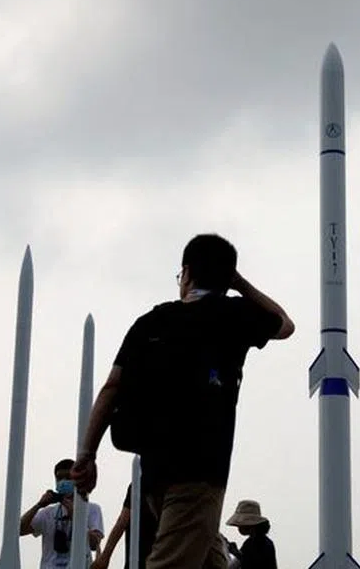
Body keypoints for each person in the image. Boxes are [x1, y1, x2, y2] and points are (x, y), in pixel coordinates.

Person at [71, 233, 295, 569]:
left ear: (186, 272)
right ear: (226, 277)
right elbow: (285, 324)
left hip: (154, 474)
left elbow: (111, 389)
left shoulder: (150, 322)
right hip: (201, 471)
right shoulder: (234, 314)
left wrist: (87, 454)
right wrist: (239, 283)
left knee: (206, 559)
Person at [21, 459, 105, 569]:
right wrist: (38, 505)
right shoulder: (48, 513)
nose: (63, 481)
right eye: (59, 478)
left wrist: (75, 516)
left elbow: (94, 544)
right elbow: (19, 530)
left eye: (68, 477)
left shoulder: (91, 509)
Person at [91, 483, 157, 569]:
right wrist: (105, 557)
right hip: (142, 559)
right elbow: (122, 522)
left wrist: (105, 556)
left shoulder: (140, 485)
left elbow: (122, 522)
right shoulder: (138, 486)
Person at [225, 500, 276, 569]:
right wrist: (235, 552)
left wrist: (234, 552)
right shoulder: (261, 542)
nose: (239, 528)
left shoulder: (258, 544)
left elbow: (250, 563)